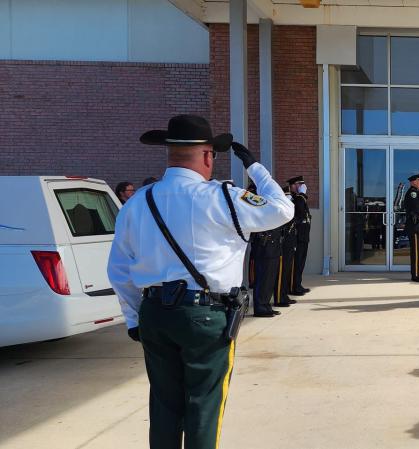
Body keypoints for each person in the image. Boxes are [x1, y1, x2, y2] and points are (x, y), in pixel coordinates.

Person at [107, 115, 294, 449]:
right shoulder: (223, 197)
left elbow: (119, 269)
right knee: (204, 407)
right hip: (206, 317)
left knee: (164, 406)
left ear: (170, 153)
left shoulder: (137, 202)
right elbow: (283, 209)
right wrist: (255, 168)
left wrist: (134, 317)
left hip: (154, 313)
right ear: (208, 156)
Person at [247, 183, 283, 318]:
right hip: (264, 245)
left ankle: (266, 304)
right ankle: (260, 307)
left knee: (269, 278)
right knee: (263, 277)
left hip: (272, 245)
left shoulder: (267, 199)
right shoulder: (254, 197)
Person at [287, 176, 312, 296]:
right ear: (292, 185)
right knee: (296, 262)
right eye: (299, 184)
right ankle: (293, 287)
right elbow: (300, 211)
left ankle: (298, 284)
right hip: (296, 235)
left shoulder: (299, 197)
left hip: (303, 235)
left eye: (302, 184)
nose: (301, 186)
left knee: (301, 262)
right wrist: (302, 194)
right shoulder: (292, 197)